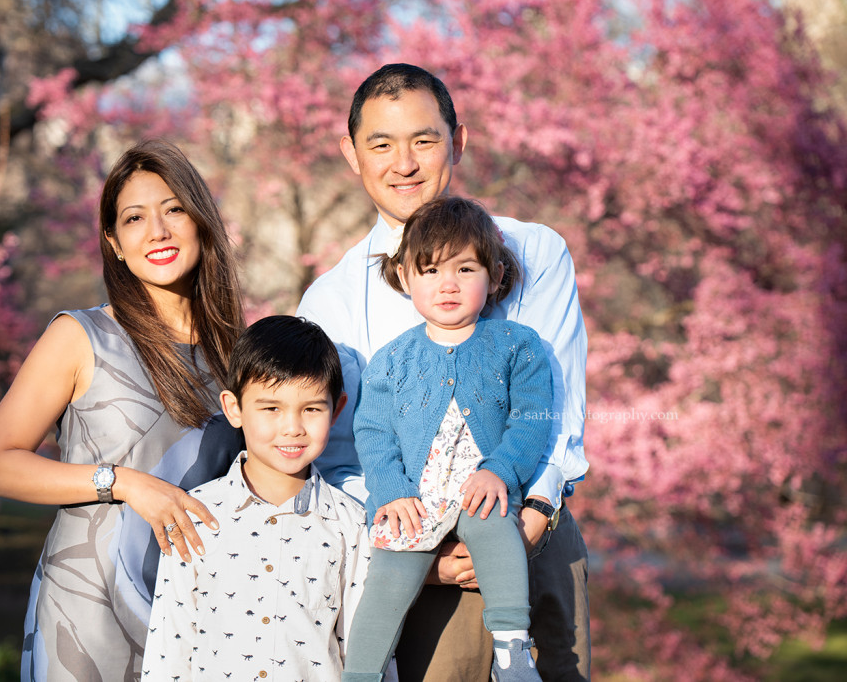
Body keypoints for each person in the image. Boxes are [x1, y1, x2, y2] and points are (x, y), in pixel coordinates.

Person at [297, 64, 590, 681]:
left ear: (459, 140)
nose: (403, 162)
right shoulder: (332, 301)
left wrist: (532, 517)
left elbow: (555, 407)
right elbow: (339, 455)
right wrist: (421, 549)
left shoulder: (534, 251)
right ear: (351, 154)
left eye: (424, 140)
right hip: (415, 557)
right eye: (381, 144)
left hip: (537, 525)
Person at [0, 138, 246, 681]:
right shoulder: (81, 336)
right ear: (114, 243)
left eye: (174, 210)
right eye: (134, 218)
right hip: (87, 615)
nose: (158, 231)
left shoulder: (239, 353)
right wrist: (122, 481)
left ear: (201, 222)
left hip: (199, 615)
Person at [342, 196, 552, 682]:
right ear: (405, 278)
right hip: (416, 497)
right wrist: (391, 490)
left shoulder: (517, 346)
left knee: (500, 537)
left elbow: (531, 421)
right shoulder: (392, 360)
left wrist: (501, 470)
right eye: (431, 269)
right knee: (387, 580)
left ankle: (512, 652)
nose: (448, 284)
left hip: (483, 490)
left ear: (495, 277)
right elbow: (373, 434)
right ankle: (361, 674)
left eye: (466, 268)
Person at [142, 315, 375, 681]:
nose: (293, 427)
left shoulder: (351, 525)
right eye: (271, 408)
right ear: (234, 408)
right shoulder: (195, 516)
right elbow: (170, 646)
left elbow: (365, 651)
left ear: (337, 410)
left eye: (312, 409)